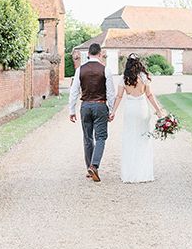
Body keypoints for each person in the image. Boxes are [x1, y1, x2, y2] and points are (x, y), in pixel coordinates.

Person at [110, 54, 164, 183]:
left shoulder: (124, 78)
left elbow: (118, 96)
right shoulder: (144, 77)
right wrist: (158, 110)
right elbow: (149, 95)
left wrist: (113, 112)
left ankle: (129, 173)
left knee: (130, 138)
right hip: (142, 109)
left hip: (130, 110)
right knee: (143, 139)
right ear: (139, 63)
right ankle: (143, 173)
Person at [68, 43, 115, 182]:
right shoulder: (105, 70)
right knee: (100, 137)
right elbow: (110, 93)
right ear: (100, 54)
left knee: (87, 138)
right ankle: (94, 166)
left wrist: (72, 110)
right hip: (100, 106)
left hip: (85, 106)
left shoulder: (80, 70)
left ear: (88, 54)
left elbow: (74, 91)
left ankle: (89, 168)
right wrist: (111, 109)